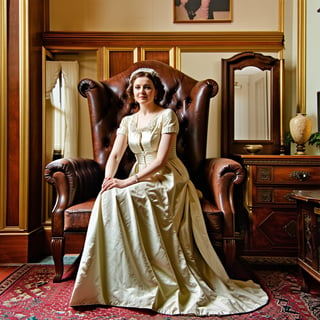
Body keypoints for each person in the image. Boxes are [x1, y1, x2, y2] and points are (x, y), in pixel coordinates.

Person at [69, 68, 268, 316]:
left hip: (167, 176)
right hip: (139, 173)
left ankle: (155, 275)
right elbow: (116, 154)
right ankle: (122, 275)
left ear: (156, 91)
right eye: (138, 87)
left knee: (129, 193)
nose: (142, 91)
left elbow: (162, 160)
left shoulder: (167, 116)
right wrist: (109, 179)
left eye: (148, 87)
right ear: (132, 92)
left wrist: (128, 182)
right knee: (109, 196)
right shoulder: (128, 121)